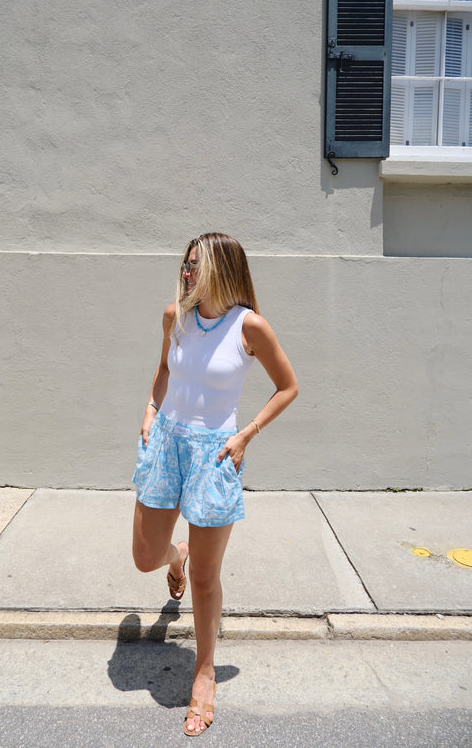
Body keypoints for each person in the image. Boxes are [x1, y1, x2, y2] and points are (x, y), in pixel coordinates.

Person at [131, 232, 298, 736]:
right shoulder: (173, 318)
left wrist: (247, 434)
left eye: (194, 266)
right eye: (183, 264)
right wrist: (150, 408)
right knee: (144, 556)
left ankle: (204, 673)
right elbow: (163, 371)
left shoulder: (249, 326)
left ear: (221, 269)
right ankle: (173, 557)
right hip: (165, 444)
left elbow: (288, 386)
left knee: (206, 578)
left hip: (215, 453)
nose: (185, 273)